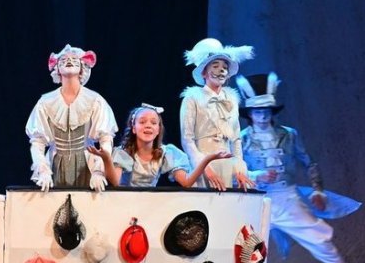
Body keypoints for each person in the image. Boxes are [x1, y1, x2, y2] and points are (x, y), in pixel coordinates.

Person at [235, 71, 365, 263]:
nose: (263, 116)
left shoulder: (289, 135)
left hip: (287, 200)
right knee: (247, 252)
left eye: (266, 111)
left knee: (324, 245)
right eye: (257, 112)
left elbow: (310, 163)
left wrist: (318, 190)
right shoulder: (242, 140)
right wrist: (256, 176)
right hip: (257, 202)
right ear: (249, 114)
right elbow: (235, 172)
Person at [25, 44, 118, 192]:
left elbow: (106, 139)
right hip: (55, 165)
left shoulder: (95, 100)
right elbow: (37, 142)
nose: (69, 61)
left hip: (86, 164)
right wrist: (43, 170)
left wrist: (98, 171)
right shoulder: (46, 102)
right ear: (57, 68)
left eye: (74, 59)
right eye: (63, 59)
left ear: (82, 68)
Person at [86, 103, 232, 189]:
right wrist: (106, 158)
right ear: (134, 128)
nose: (148, 125)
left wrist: (208, 159)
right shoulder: (123, 153)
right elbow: (116, 182)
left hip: (151, 205)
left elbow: (186, 182)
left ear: (158, 130)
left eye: (153, 123)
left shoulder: (167, 153)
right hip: (125, 202)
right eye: (142, 122)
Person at [180, 37, 256, 190]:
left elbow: (236, 139)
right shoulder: (192, 98)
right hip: (204, 163)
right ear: (204, 72)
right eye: (215, 66)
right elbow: (187, 139)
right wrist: (203, 166)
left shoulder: (231, 99)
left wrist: (239, 168)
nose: (221, 70)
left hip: (228, 166)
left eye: (224, 67)